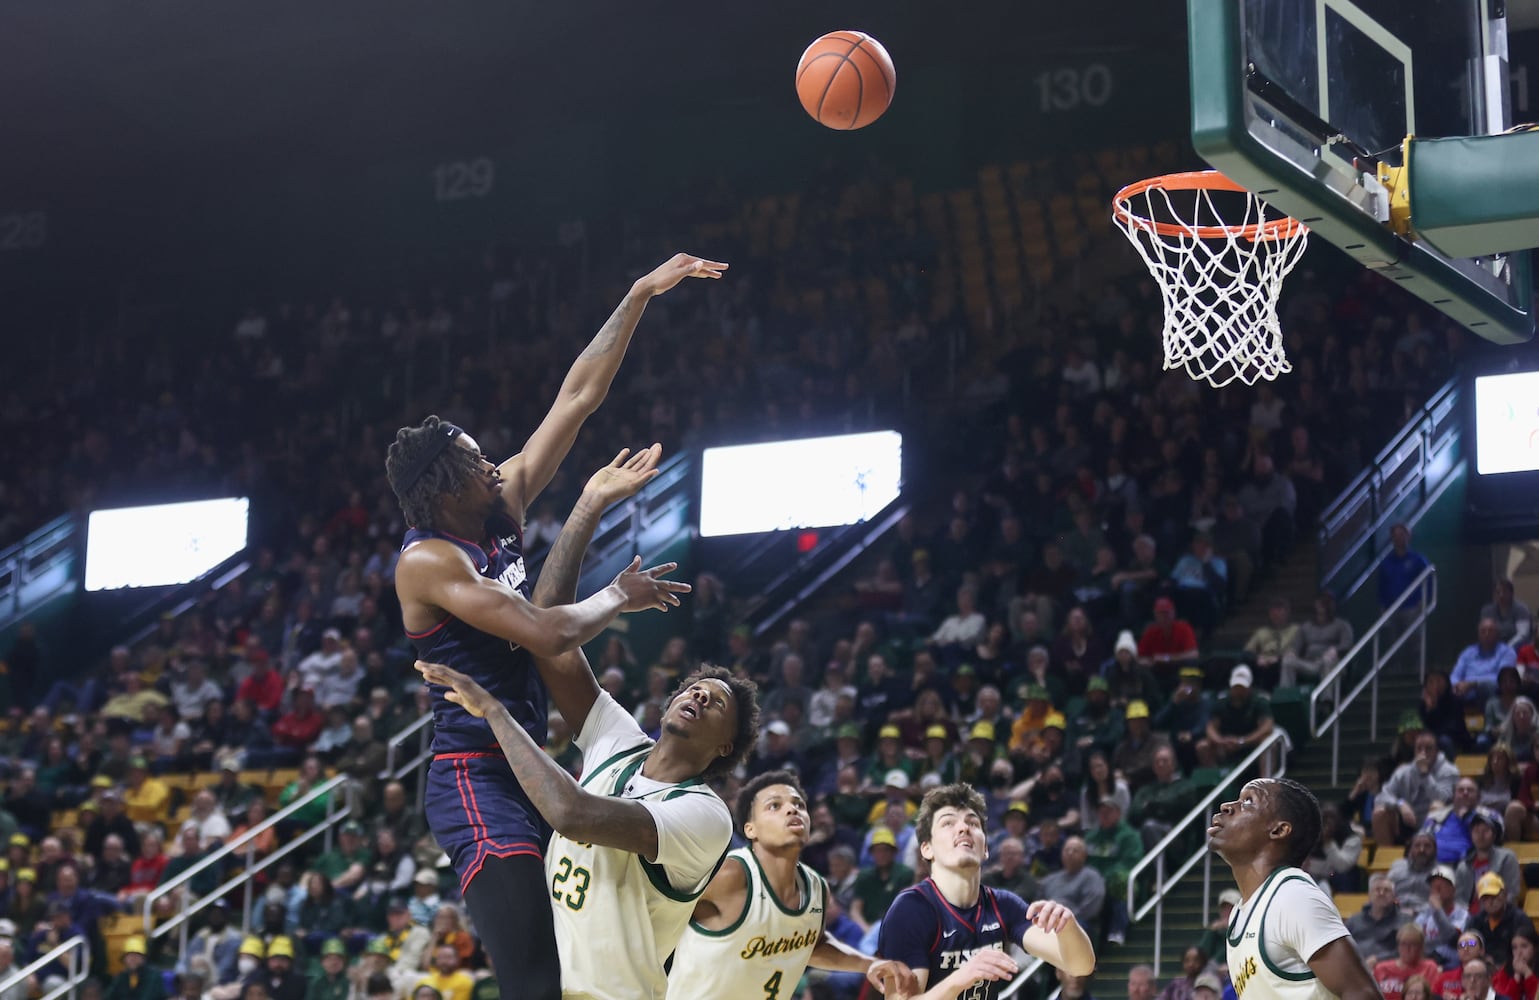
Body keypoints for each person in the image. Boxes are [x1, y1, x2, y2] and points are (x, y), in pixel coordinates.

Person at [388, 255, 724, 1000]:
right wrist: (617, 595)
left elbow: (576, 396)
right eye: (479, 462)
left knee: (570, 967)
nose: (495, 469)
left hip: (530, 763)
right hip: (473, 774)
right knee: (535, 981)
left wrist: (637, 293)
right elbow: (544, 633)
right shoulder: (430, 563)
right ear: (445, 487)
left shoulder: (490, 507)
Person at [666, 770, 916, 998]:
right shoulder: (731, 875)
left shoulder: (817, 887)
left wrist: (868, 964)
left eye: (799, 805)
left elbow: (813, 945)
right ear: (750, 829)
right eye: (774, 806)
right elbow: (662, 915)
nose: (792, 810)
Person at [875, 782, 1096, 999]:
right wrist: (960, 979)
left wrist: (1068, 927)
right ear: (927, 848)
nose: (963, 828)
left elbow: (1081, 966)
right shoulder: (910, 910)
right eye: (948, 823)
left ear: (986, 849)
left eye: (973, 823)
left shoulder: (1004, 905)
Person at [1208, 776, 1381, 999]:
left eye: (1248, 801)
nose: (1227, 806)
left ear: (1279, 830)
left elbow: (1363, 994)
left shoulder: (1292, 896)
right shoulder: (1239, 916)